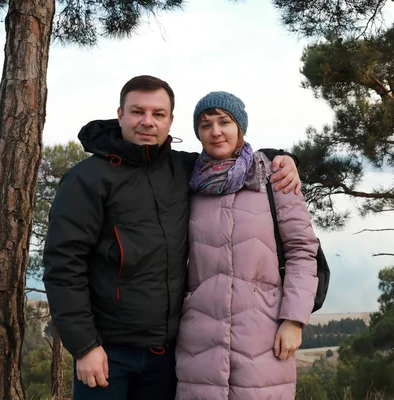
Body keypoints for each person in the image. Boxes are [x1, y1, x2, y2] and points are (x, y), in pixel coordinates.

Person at [42, 75, 301, 400]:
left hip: (168, 356)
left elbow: (233, 156)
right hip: (107, 353)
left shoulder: (185, 169)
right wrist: (84, 346)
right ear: (120, 115)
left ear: (170, 121)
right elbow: (63, 265)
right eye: (137, 112)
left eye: (158, 114)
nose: (147, 122)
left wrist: (283, 157)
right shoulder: (87, 178)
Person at [175, 91, 319, 400]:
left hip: (264, 336)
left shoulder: (274, 177)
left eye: (224, 122)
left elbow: (302, 252)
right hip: (198, 340)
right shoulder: (187, 184)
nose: (215, 131)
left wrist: (294, 320)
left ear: (240, 126)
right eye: (205, 124)